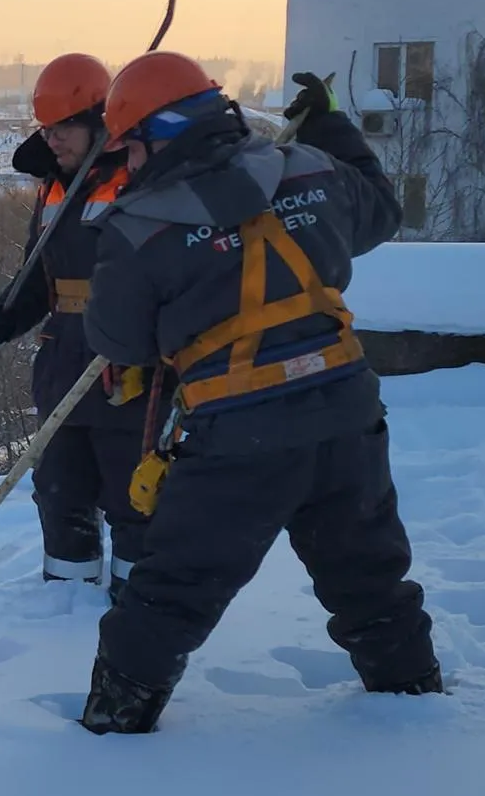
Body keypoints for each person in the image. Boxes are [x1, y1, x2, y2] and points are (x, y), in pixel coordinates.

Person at [75, 54, 442, 735]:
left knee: (175, 588)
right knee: (369, 577)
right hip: (346, 415)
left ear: (157, 132)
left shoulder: (138, 228)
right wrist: (333, 128)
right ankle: (413, 703)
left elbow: (120, 341)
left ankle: (114, 722)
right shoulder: (312, 169)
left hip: (241, 437)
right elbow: (380, 211)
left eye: (129, 145)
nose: (126, 160)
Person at [0, 52, 166, 601]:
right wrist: (14, 309)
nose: (53, 139)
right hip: (62, 359)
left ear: (99, 124)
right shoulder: (51, 189)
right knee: (60, 490)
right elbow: (42, 273)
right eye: (46, 129)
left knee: (133, 493)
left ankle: (139, 606)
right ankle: (65, 603)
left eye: (64, 127)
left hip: (125, 367)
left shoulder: (138, 180)